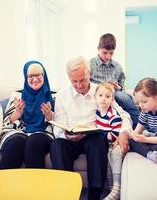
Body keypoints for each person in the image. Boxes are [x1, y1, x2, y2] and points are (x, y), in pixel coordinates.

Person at [50, 56, 132, 200]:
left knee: (98, 141)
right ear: (69, 79)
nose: (79, 85)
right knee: (56, 145)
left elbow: (124, 115)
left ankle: (94, 196)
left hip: (93, 136)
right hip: (70, 138)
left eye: (82, 80)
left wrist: (123, 132)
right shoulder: (62, 95)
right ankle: (65, 193)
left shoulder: (100, 91)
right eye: (74, 81)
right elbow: (58, 127)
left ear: (90, 74)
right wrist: (66, 134)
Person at [0, 60, 54, 169]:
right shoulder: (17, 95)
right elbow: (7, 122)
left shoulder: (51, 96)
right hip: (20, 130)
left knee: (34, 141)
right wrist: (18, 112)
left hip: (43, 132)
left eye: (38, 75)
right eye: (30, 76)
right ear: (25, 77)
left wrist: (48, 114)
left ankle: (34, 185)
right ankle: (4, 184)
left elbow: (57, 121)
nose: (35, 79)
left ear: (44, 75)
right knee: (16, 142)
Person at [90, 33, 139, 129]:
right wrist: (102, 86)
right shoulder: (90, 64)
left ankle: (138, 127)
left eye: (111, 53)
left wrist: (118, 86)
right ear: (98, 48)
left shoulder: (117, 66)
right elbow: (87, 84)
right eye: (105, 52)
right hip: (98, 93)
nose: (108, 56)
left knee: (122, 96)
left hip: (114, 93)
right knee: (116, 95)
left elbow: (122, 84)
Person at [94, 82, 123, 200]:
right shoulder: (96, 112)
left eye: (107, 96)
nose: (103, 99)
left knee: (112, 157)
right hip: (103, 143)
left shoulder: (113, 115)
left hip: (112, 142)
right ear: (95, 97)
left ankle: (115, 190)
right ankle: (111, 190)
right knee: (105, 163)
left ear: (112, 99)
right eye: (100, 96)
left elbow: (115, 134)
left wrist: (100, 133)